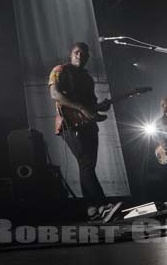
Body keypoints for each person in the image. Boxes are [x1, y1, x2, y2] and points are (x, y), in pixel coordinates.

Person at [49, 42, 121, 222]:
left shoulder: (88, 79)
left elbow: (91, 106)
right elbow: (55, 95)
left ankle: (91, 210)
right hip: (68, 124)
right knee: (86, 163)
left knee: (86, 166)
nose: (80, 56)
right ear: (71, 54)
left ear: (88, 57)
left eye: (83, 54)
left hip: (88, 125)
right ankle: (103, 205)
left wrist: (100, 108)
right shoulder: (60, 70)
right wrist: (81, 107)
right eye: (76, 52)